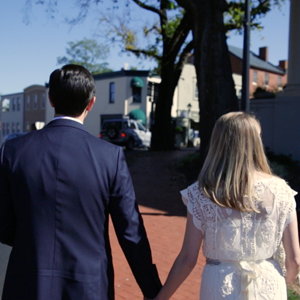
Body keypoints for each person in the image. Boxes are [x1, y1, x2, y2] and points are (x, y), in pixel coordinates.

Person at [0, 64, 161, 300]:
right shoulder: (110, 157)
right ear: (91, 103)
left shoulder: (12, 151)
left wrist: (31, 240)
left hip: (28, 281)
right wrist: (152, 289)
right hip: (88, 286)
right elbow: (130, 231)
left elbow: (3, 224)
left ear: (50, 99)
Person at [154, 112, 300, 300]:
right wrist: (284, 281)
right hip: (268, 286)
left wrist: (161, 297)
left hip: (220, 287)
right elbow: (294, 259)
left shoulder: (202, 193)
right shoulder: (281, 191)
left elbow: (187, 259)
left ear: (218, 143)